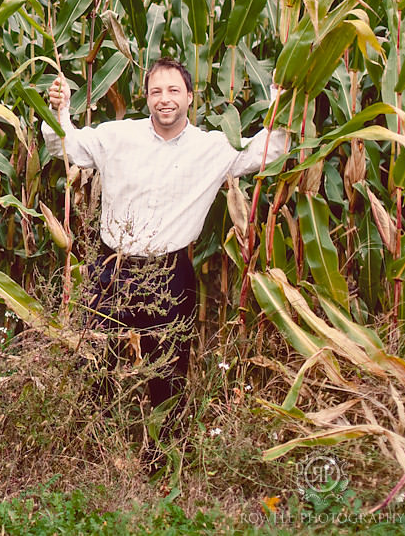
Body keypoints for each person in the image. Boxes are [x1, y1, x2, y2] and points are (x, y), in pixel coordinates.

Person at [42, 57, 288, 456]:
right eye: (156, 91)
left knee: (170, 372)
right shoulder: (116, 137)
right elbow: (64, 146)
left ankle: (163, 458)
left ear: (190, 97)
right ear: (146, 97)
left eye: (174, 90)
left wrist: (282, 100)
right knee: (95, 364)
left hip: (170, 273)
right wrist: (59, 110)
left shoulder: (212, 148)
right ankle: (94, 454)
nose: (165, 99)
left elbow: (265, 153)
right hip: (112, 268)